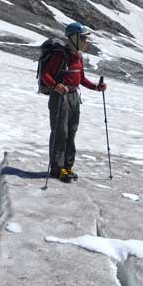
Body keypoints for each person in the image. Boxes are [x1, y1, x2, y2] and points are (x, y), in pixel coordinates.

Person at [41, 22, 107, 183]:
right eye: (83, 38)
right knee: (60, 132)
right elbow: (45, 74)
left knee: (71, 132)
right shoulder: (60, 55)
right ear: (74, 38)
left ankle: (67, 167)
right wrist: (56, 86)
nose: (86, 42)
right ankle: (57, 169)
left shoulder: (78, 56)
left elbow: (81, 78)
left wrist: (96, 87)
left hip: (74, 97)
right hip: (60, 97)